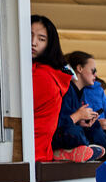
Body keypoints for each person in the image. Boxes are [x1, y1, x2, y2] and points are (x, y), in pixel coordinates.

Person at [53, 51, 106, 162]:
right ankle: (72, 152)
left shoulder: (80, 93)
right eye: (93, 71)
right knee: (80, 132)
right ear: (79, 69)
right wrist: (78, 115)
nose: (95, 75)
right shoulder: (66, 90)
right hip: (59, 137)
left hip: (71, 133)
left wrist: (83, 121)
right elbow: (57, 124)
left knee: (97, 128)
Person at [31, 15, 76, 163]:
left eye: (41, 39)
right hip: (40, 152)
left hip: (27, 153)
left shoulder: (41, 76)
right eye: (29, 35)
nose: (33, 43)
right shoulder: (49, 74)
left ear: (50, 45)